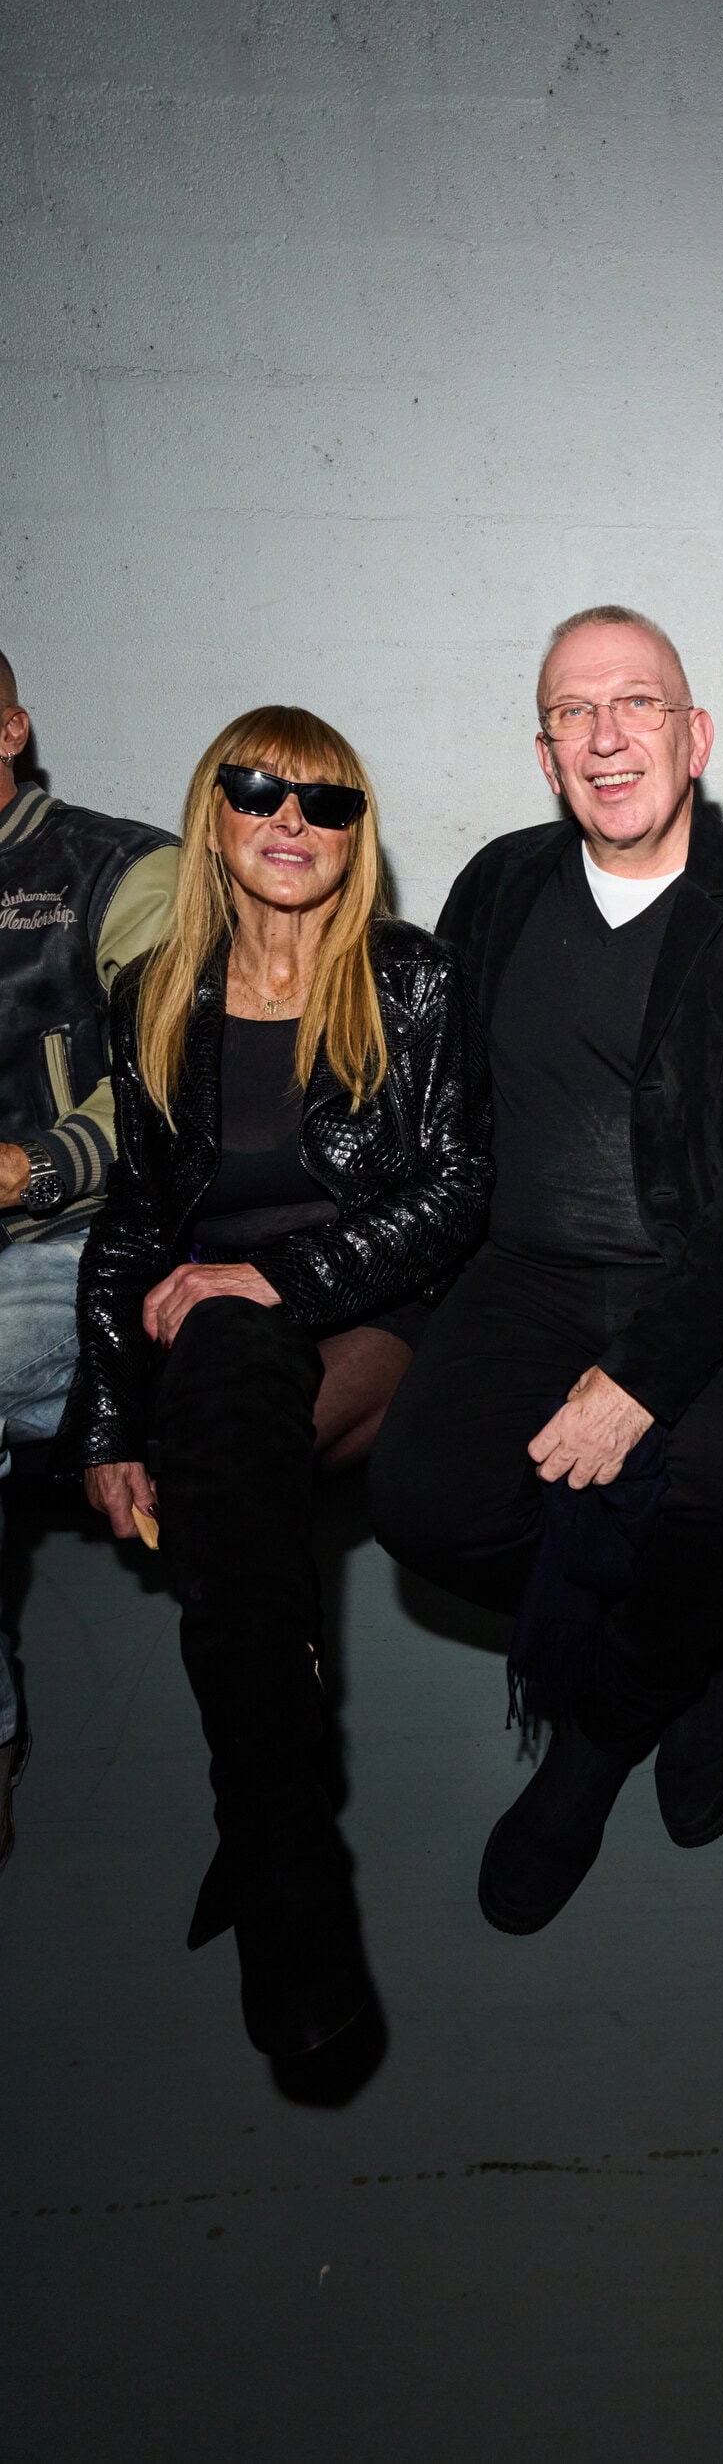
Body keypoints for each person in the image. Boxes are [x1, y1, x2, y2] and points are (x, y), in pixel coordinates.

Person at [370, 605, 723, 1932]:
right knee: (424, 1506)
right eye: (572, 712)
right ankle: (690, 1652)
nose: (605, 735)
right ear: (544, 756)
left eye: (636, 702)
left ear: (695, 737)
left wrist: (640, 1377)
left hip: (712, 1284)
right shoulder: (496, 886)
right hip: (521, 1272)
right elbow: (437, 1107)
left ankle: (592, 1751)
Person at [69, 706, 492, 2065]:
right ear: (216, 813)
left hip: (376, 1311)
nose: (291, 822)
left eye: (326, 802)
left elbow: (458, 1194)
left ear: (356, 833)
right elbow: (136, 1224)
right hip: (218, 1351)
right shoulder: (159, 992)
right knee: (225, 1390)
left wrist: (275, 1279)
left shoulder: (411, 979)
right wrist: (109, 1420)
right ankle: (280, 1829)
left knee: (230, 1367)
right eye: (259, 793)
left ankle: (268, 1843)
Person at [0, 644, 178, 1873]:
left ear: (11, 731)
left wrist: (34, 1165)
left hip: (72, 1240)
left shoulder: (115, 866)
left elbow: (174, 1069)